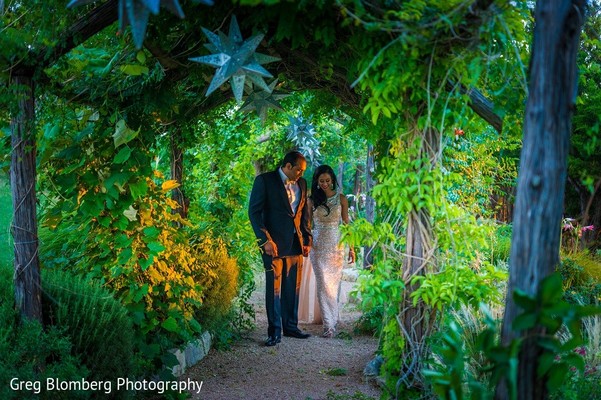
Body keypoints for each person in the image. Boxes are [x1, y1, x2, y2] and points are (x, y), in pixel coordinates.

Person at [248, 151, 313, 346]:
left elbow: (303, 213)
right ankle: (274, 332)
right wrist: (265, 240)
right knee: (274, 289)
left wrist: (307, 238)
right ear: (287, 166)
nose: (301, 174)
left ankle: (291, 327)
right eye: (299, 170)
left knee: (293, 287)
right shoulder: (264, 181)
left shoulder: (302, 184)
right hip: (272, 245)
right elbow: (254, 212)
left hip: (295, 242)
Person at [306, 164, 355, 338]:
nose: (325, 183)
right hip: (318, 245)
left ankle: (333, 319)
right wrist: (307, 242)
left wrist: (352, 248)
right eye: (321, 181)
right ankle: (328, 325)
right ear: (317, 182)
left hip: (337, 244)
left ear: (332, 180)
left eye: (327, 180)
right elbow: (308, 225)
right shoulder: (312, 200)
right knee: (323, 284)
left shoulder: (341, 199)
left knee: (333, 285)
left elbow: (347, 223)